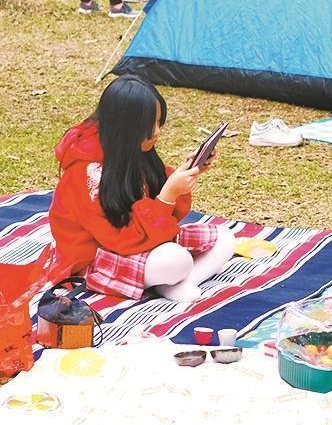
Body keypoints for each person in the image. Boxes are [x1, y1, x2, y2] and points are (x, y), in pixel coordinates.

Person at [50, 76, 237, 302]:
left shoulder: (128, 146)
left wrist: (185, 173)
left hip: (145, 240)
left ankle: (178, 283)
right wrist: (168, 196)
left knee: (224, 238)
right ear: (126, 127)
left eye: (159, 123)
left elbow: (157, 196)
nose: (158, 132)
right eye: (151, 125)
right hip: (98, 257)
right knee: (177, 259)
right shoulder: (87, 173)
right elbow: (123, 239)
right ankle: (169, 281)